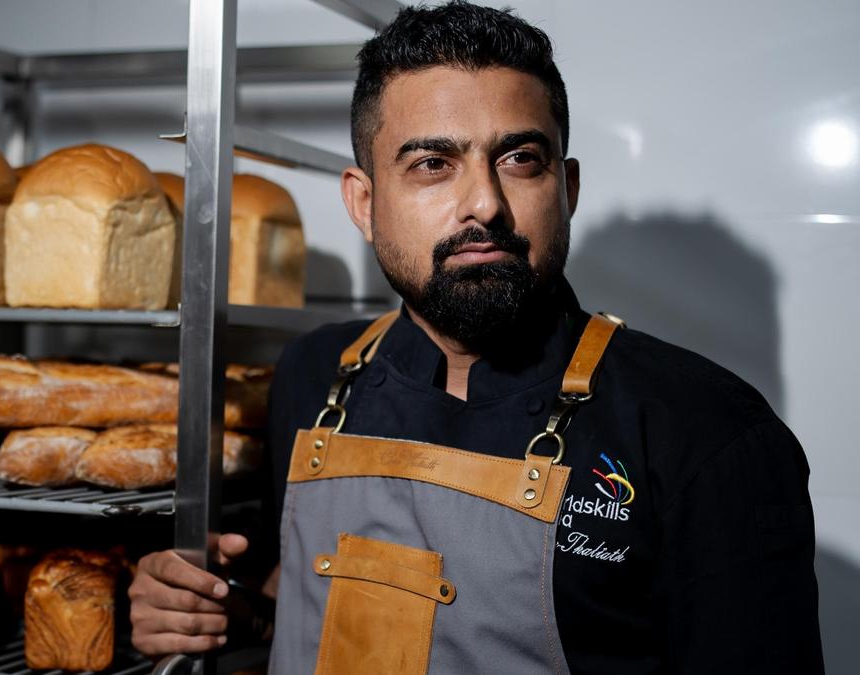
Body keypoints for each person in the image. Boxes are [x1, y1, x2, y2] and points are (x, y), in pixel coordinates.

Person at [128, 2, 824, 672]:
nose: (485, 203)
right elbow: (319, 615)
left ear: (568, 188)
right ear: (364, 204)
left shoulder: (706, 434)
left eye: (520, 158)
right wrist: (221, 610)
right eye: (432, 164)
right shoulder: (316, 374)